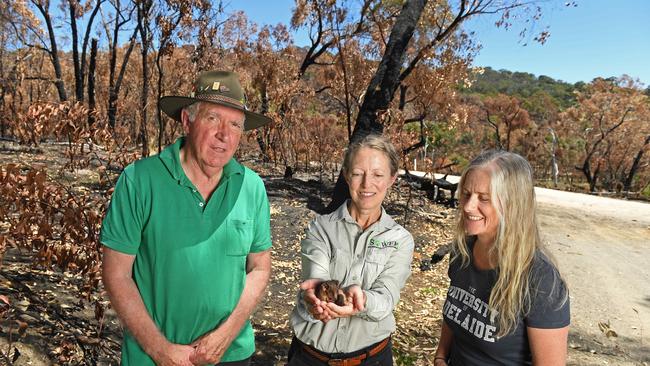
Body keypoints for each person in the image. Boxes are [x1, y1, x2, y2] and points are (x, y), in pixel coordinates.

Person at [101, 70, 273, 366]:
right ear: (187, 120)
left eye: (235, 124)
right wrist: (159, 350)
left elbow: (258, 268)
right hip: (153, 357)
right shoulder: (139, 180)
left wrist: (226, 335)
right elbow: (116, 274)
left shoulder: (252, 186)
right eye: (213, 119)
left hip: (231, 355)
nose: (224, 134)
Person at [288, 134, 415, 366]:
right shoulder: (321, 227)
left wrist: (362, 299)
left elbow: (386, 299)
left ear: (392, 179)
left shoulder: (400, 240)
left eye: (378, 175)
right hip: (310, 359)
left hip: (371, 359)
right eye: (358, 174)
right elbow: (316, 277)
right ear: (346, 175)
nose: (367, 184)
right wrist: (314, 302)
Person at [433, 150, 570, 365]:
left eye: (484, 198)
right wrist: (441, 354)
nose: (468, 206)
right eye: (466, 194)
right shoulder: (462, 253)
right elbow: (456, 312)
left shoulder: (541, 280)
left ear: (513, 205)